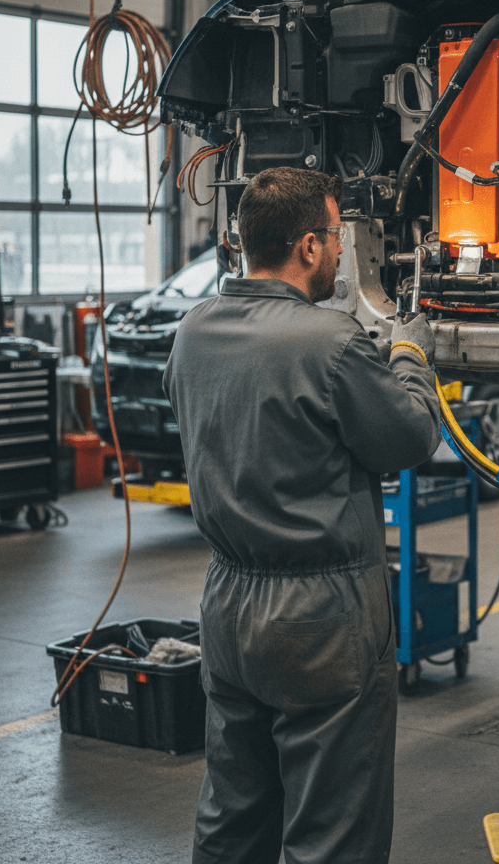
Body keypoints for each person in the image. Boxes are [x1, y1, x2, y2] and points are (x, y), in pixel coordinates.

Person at [163, 166, 441, 864]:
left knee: (233, 819)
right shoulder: (331, 342)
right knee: (332, 834)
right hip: (322, 619)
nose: (343, 252)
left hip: (227, 605)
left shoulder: (192, 331)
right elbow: (409, 437)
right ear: (309, 247)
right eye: (338, 237)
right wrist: (411, 355)